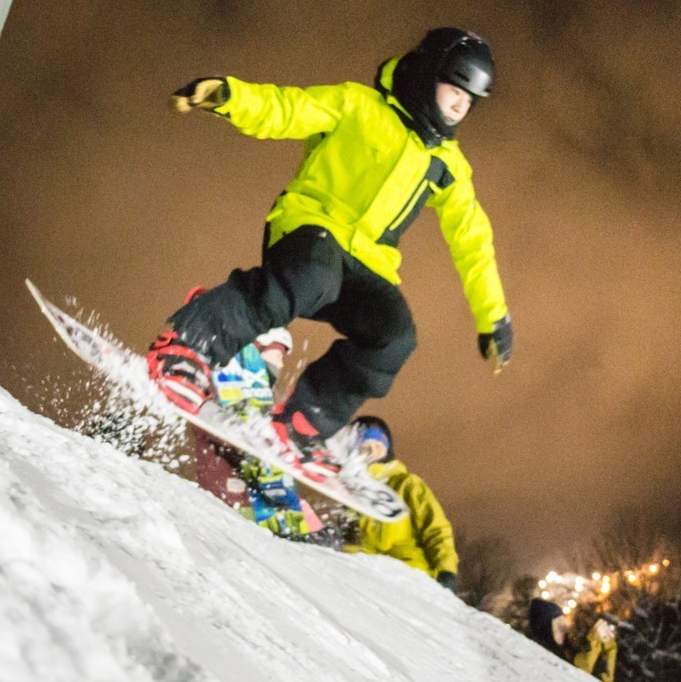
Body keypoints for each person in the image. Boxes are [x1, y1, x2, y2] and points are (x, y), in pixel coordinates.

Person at [145, 30, 513, 480]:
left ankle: (303, 424)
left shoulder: (448, 166)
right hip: (309, 228)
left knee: (395, 336)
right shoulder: (358, 105)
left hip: (367, 264)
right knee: (311, 278)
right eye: (454, 91)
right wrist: (229, 95)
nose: (459, 106)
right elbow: (288, 109)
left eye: (469, 100)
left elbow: (472, 238)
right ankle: (187, 350)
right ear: (424, 76)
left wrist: (492, 317)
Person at [189, 328, 327, 542]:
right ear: (256, 350)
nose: (281, 365)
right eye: (278, 355)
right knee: (315, 534)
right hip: (236, 500)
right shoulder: (226, 387)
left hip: (245, 500)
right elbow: (213, 421)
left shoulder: (260, 403)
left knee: (320, 532)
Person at [343, 416, 459, 590]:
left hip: (411, 575)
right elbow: (352, 541)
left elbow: (436, 528)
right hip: (368, 578)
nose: (372, 452)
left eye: (378, 447)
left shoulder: (406, 484)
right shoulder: (349, 493)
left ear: (387, 451)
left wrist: (446, 569)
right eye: (365, 447)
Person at [572, 612, 618, 682]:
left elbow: (609, 676)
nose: (611, 632)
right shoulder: (591, 638)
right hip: (578, 674)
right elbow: (584, 665)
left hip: (595, 681)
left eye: (613, 630)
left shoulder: (611, 646)